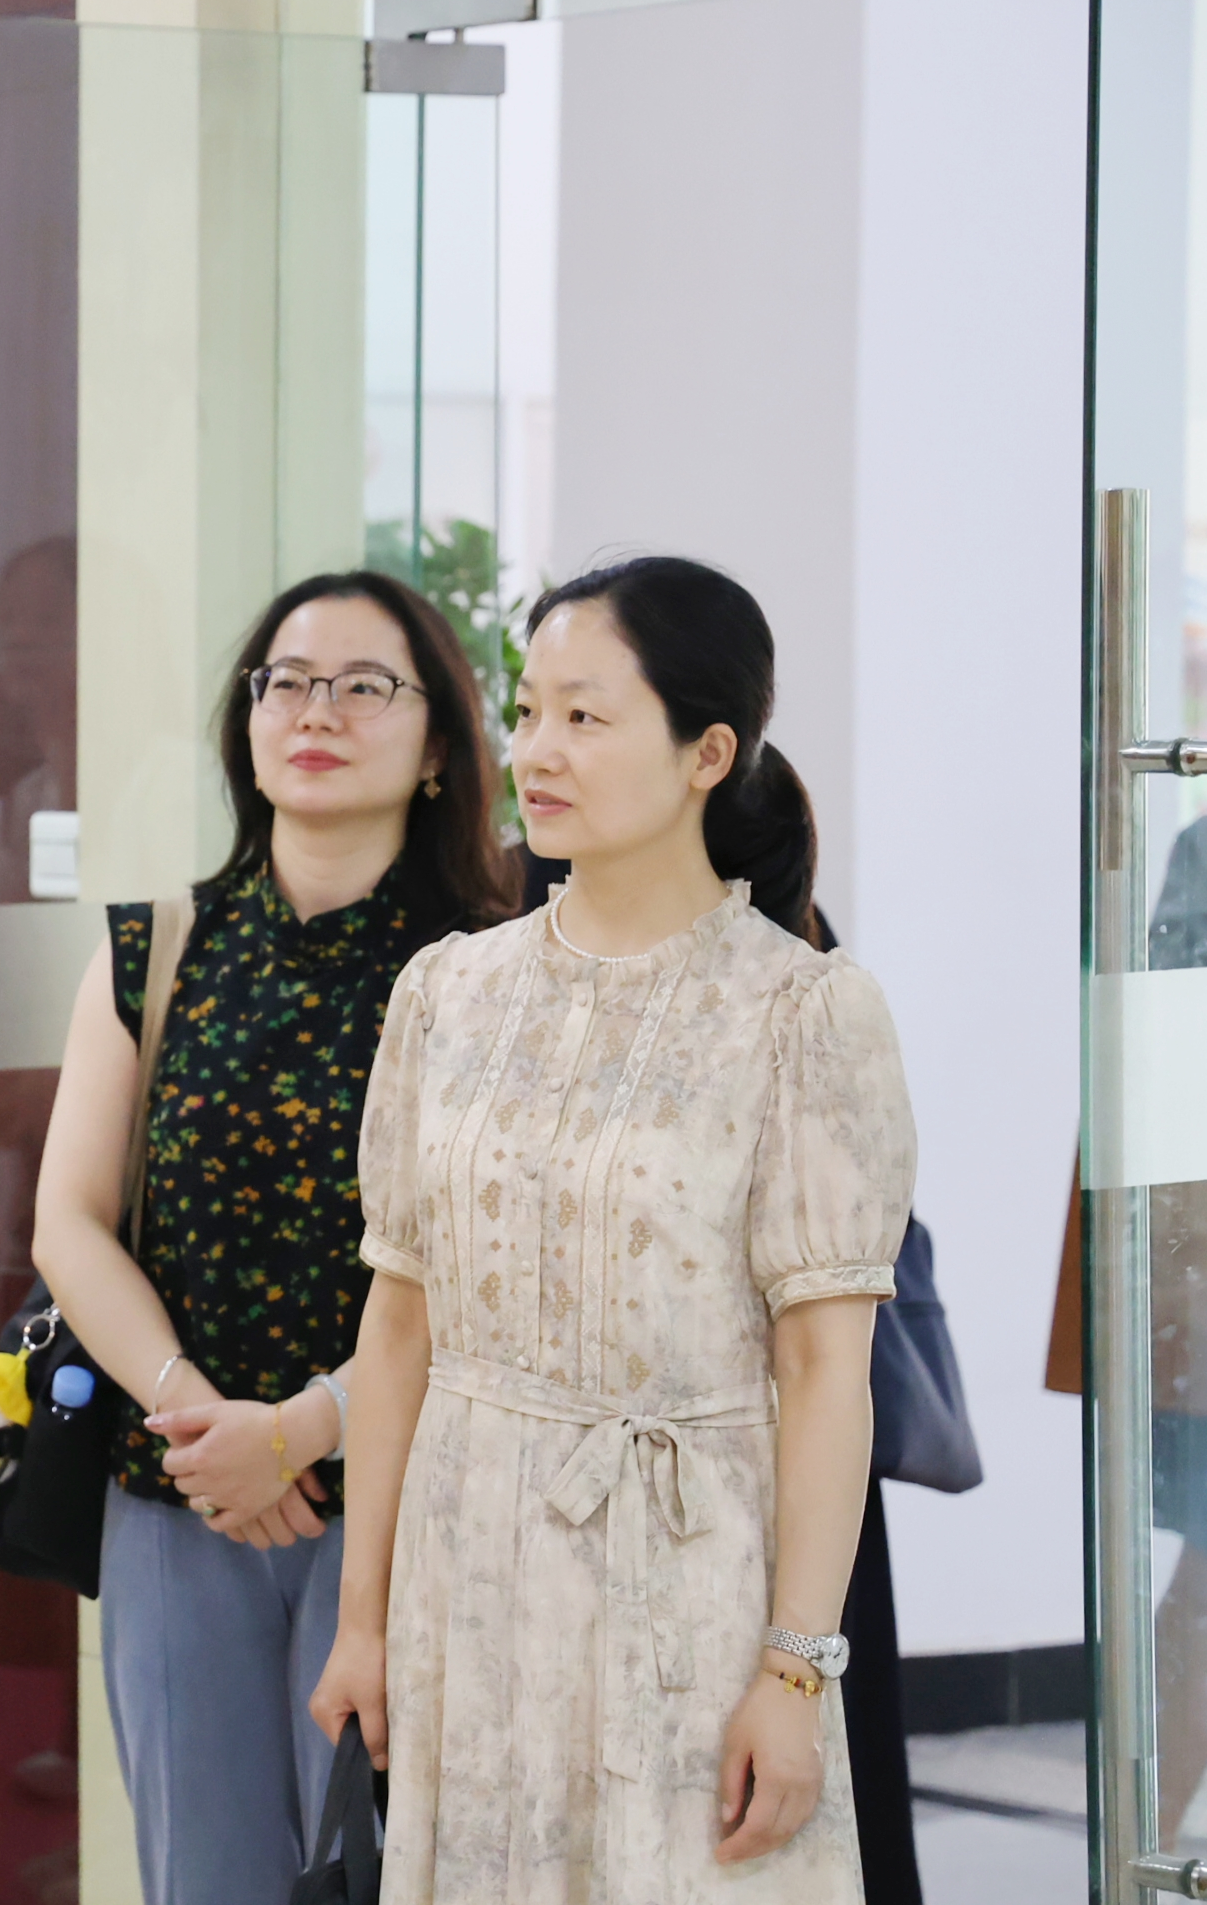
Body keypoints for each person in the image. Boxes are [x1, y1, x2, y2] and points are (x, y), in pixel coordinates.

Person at [311, 555, 918, 1899]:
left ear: (709, 752)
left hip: (693, 1591)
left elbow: (828, 1373)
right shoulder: (446, 994)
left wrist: (796, 1676)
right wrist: (363, 1625)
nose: (537, 751)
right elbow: (398, 1329)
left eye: (585, 717)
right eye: (529, 712)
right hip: (468, 1578)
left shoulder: (803, 1011)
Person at [28, 571, 517, 1903]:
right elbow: (70, 1224)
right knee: (203, 1877)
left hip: (415, 1497)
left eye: (366, 686)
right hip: (182, 1492)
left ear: (436, 745)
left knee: (394, 1874)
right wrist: (203, 1423)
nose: (319, 711)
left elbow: (497, 1274)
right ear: (247, 725)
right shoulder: (156, 948)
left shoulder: (496, 973)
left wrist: (303, 1429)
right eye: (287, 683)